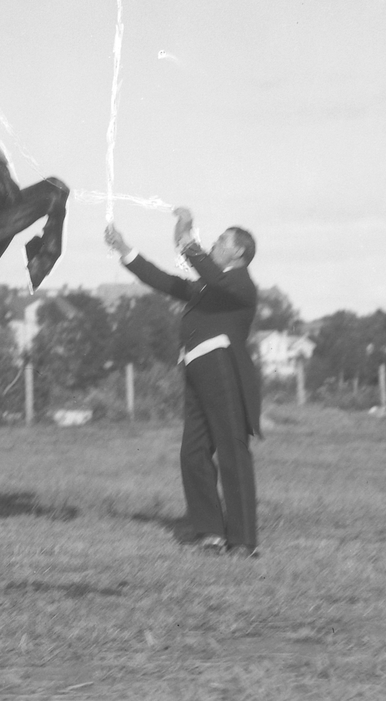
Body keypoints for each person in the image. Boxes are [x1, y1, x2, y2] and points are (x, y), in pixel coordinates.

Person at [104, 208, 262, 558]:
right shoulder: (214, 285)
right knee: (193, 453)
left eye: (222, 241)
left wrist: (187, 239)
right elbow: (167, 282)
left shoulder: (239, 283)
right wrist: (125, 250)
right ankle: (210, 533)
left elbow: (211, 275)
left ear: (239, 252)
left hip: (223, 368)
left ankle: (243, 541)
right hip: (197, 368)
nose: (216, 244)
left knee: (232, 452)